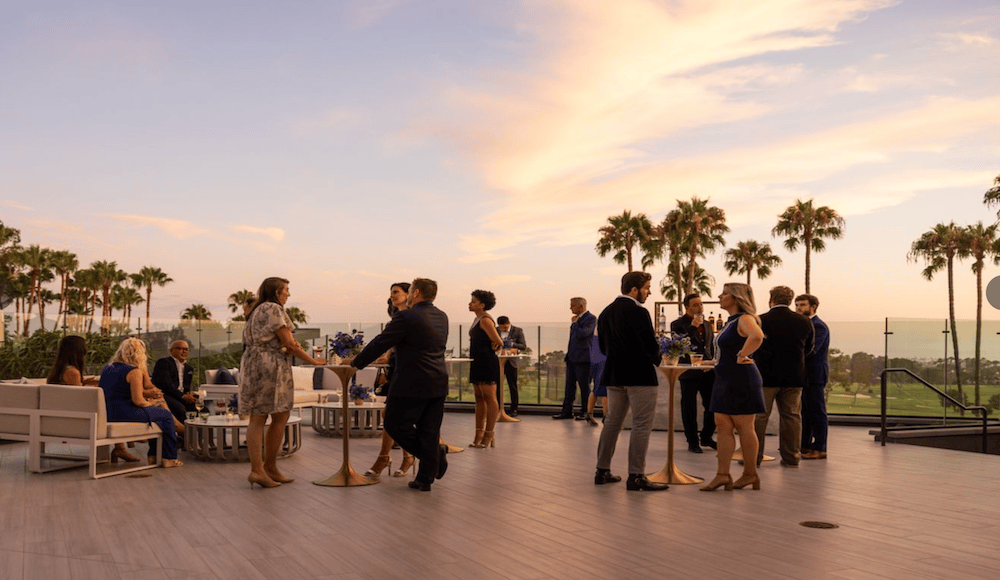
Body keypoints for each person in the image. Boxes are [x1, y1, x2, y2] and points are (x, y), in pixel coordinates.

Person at [351, 278, 450, 492]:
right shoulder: (442, 316)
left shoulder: (406, 316)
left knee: (394, 424)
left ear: (415, 293)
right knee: (429, 430)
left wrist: (356, 364)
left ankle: (434, 456)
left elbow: (380, 342)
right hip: (438, 381)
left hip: (411, 383)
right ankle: (424, 479)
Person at [241, 277, 327, 489]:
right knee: (264, 417)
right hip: (270, 366)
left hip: (254, 364)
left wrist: (284, 347)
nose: (289, 293)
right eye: (286, 290)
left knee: (272, 415)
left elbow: (274, 340)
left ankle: (269, 468)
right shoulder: (273, 308)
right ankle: (258, 470)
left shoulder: (256, 310)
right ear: (276, 292)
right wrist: (314, 361)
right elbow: (289, 343)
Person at [595, 272, 668, 491]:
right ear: (634, 290)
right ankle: (636, 475)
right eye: (647, 287)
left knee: (612, 422)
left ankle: (602, 470)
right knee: (641, 424)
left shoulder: (606, 312)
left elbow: (602, 347)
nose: (649, 292)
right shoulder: (639, 312)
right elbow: (649, 344)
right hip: (639, 375)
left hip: (614, 374)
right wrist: (659, 359)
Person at [701, 283, 765, 492]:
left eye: (725, 293)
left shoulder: (745, 319)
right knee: (723, 426)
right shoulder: (731, 322)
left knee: (744, 427)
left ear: (737, 298)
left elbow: (757, 336)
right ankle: (723, 475)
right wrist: (714, 362)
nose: (720, 296)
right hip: (725, 378)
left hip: (741, 379)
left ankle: (750, 474)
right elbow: (728, 350)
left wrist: (742, 355)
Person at [47, 335, 141, 463]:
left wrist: (85, 383)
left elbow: (70, 393)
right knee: (113, 405)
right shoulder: (73, 372)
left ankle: (123, 447)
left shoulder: (59, 370)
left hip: (61, 415)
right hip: (76, 419)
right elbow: (79, 399)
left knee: (109, 404)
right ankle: (132, 437)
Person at [753, 285, 814, 468]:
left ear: (771, 299)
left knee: (760, 417)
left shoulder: (760, 320)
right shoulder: (804, 322)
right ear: (790, 300)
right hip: (794, 376)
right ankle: (791, 458)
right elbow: (808, 348)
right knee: (792, 417)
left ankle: (754, 457)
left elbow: (753, 345)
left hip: (765, 376)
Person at [98, 337, 183, 468]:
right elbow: (138, 401)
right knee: (165, 416)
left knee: (158, 417)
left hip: (108, 413)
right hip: (125, 413)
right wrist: (153, 402)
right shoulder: (134, 371)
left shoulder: (107, 368)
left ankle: (153, 455)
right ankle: (169, 458)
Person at [364, 282, 416, 478]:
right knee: (392, 414)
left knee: (395, 415)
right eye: (391, 292)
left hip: (410, 371)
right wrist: (386, 358)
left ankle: (391, 457)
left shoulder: (414, 317)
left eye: (396, 292)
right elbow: (391, 343)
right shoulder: (397, 319)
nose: (392, 295)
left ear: (408, 294)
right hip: (396, 369)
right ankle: (401, 456)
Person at [670, 293, 717, 453]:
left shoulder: (707, 324)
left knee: (712, 405)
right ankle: (692, 441)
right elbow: (678, 345)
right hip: (688, 371)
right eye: (695, 305)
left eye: (701, 304)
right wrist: (693, 327)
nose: (700, 307)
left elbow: (709, 346)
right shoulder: (677, 324)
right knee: (689, 407)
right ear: (687, 307)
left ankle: (706, 437)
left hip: (708, 370)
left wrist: (711, 361)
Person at [467, 290, 504, 448]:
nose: (470, 304)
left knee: (489, 397)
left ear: (482, 305)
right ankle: (479, 433)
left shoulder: (486, 320)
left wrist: (495, 346)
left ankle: (489, 433)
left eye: (473, 301)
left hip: (486, 362)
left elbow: (499, 341)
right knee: (479, 398)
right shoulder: (478, 319)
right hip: (477, 361)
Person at [796, 293, 830, 460]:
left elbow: (812, 350)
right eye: (797, 305)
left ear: (813, 307)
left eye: (802, 305)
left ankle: (820, 448)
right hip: (804, 375)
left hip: (815, 375)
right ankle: (805, 445)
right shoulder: (804, 325)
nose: (798, 308)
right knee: (806, 412)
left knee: (817, 412)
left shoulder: (819, 326)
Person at [553, 297, 596, 419]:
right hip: (572, 358)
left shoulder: (591, 319)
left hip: (584, 359)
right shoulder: (576, 319)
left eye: (572, 305)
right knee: (569, 387)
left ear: (581, 306)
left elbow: (584, 333)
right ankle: (567, 412)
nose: (570, 308)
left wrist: (575, 324)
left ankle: (585, 412)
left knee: (584, 387)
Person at [151, 340, 197, 423]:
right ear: (171, 351)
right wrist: (183, 396)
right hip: (165, 395)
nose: (184, 351)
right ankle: (183, 430)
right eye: (180, 348)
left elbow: (186, 387)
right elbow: (166, 385)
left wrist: (189, 394)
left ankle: (198, 430)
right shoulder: (164, 363)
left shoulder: (189, 368)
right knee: (180, 410)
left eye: (186, 349)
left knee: (202, 409)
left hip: (181, 396)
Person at [496, 315, 526, 417]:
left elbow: (523, 346)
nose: (503, 329)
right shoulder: (495, 330)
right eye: (501, 328)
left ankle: (514, 409)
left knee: (512, 386)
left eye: (505, 327)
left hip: (511, 362)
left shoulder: (517, 331)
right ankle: (498, 408)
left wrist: (512, 344)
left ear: (509, 323)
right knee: (497, 386)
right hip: (498, 361)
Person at [584, 327, 607, 426]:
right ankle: (606, 417)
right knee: (605, 391)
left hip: (595, 359)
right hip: (604, 360)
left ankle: (589, 414)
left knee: (596, 389)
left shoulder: (595, 334)